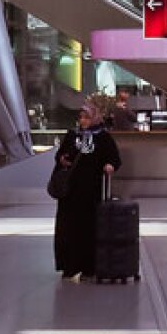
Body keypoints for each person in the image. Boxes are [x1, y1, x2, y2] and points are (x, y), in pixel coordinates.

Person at [52, 102, 122, 282]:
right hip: (71, 192)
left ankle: (89, 267)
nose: (83, 121)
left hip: (91, 191)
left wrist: (110, 166)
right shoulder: (72, 135)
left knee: (89, 228)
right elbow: (60, 156)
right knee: (68, 228)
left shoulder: (103, 137)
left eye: (86, 117)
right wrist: (62, 160)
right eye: (81, 117)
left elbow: (114, 158)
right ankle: (69, 265)